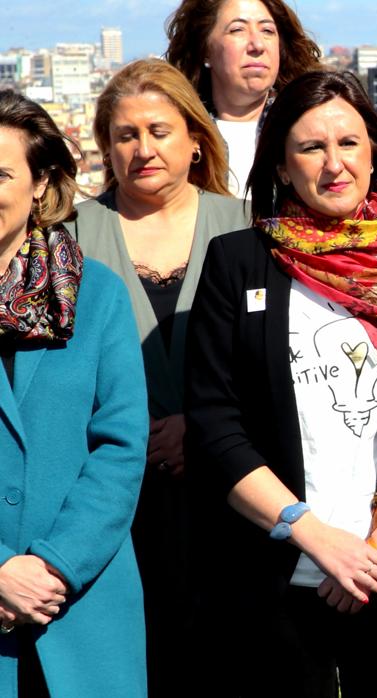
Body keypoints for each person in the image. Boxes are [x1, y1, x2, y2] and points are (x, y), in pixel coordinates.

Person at [183, 71, 377, 697]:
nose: (334, 164)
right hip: (273, 580)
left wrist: (374, 553)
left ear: (376, 153)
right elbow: (215, 425)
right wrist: (316, 539)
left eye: (349, 143)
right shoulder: (239, 263)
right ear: (282, 168)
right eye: (311, 148)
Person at [64, 57, 248, 698]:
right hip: (113, 505)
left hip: (232, 506)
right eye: (125, 134)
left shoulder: (247, 227)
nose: (144, 149)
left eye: (160, 130)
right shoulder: (68, 239)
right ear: (105, 148)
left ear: (195, 139)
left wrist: (202, 428)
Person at [0, 90, 147, 696]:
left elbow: (120, 447)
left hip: (79, 601)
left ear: (39, 184)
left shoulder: (97, 293)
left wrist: (52, 563)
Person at [166, 0, 322, 196]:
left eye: (267, 31)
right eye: (237, 30)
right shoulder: (176, 135)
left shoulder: (311, 127)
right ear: (205, 49)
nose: (257, 45)